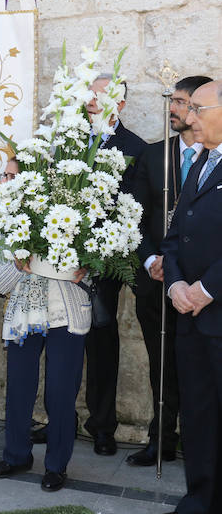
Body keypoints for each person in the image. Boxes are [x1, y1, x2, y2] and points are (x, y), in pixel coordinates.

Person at [0, 158, 90, 493]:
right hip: (23, 313)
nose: (6, 181)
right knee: (19, 387)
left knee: (61, 391)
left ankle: (57, 465)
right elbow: (1, 282)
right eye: (3, 174)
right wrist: (22, 261)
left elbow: (95, 258)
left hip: (67, 313)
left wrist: (86, 268)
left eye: (14, 176)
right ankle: (16, 455)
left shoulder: (66, 212)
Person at [129, 75, 212, 467]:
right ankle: (161, 438)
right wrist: (151, 260)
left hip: (206, 287)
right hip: (158, 279)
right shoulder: (153, 155)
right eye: (174, 101)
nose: (175, 109)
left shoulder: (213, 159)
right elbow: (134, 217)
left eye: (184, 102)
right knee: (161, 362)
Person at [163, 79, 222, 514]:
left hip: (216, 312)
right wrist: (176, 284)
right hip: (190, 317)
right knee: (198, 417)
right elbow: (174, 235)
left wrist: (206, 289)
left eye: (199, 108)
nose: (190, 116)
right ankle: (200, 498)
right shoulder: (200, 160)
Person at [83, 74, 147, 456]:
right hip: (61, 260)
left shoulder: (136, 148)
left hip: (105, 265)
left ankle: (102, 425)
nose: (91, 100)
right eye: (88, 94)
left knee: (101, 343)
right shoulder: (67, 141)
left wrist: (96, 255)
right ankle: (57, 418)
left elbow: (132, 214)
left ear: (119, 105)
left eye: (100, 95)